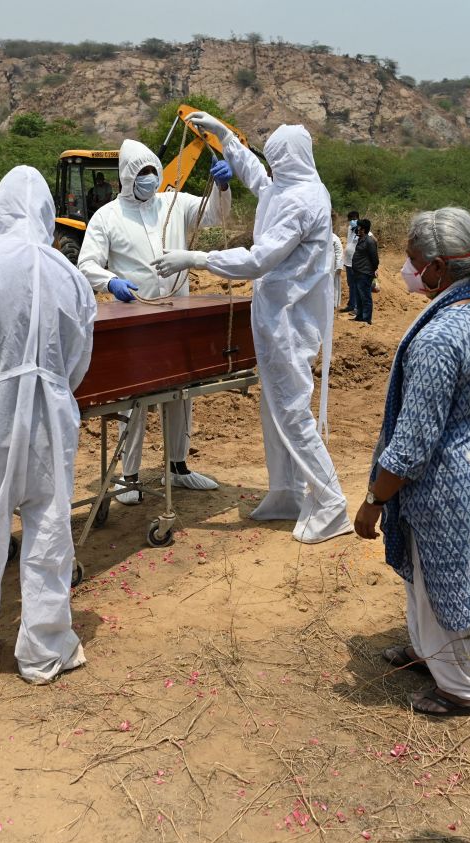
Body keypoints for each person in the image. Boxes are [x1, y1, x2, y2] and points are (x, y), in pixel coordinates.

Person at [153, 115, 351, 544]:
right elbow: (260, 180)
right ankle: (286, 493)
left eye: (276, 160)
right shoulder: (290, 186)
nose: (272, 168)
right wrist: (225, 138)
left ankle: (332, 502)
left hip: (292, 322)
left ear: (289, 159)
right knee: (274, 408)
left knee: (293, 412)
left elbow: (259, 259)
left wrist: (197, 258)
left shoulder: (304, 201)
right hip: (276, 317)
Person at [0, 166, 96, 685]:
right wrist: (48, 386)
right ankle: (43, 653)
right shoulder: (69, 273)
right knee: (49, 532)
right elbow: (78, 359)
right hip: (52, 415)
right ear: (49, 214)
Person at [354, 207, 470, 716]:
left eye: (412, 260)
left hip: (447, 488)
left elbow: (413, 443)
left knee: (452, 585)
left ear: (438, 269)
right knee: (443, 577)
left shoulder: (440, 338)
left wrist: (373, 500)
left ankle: (464, 688)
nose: (406, 269)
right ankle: (431, 654)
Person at [77, 138, 232, 504]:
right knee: (134, 399)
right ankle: (128, 476)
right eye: (142, 173)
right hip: (135, 322)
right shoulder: (107, 216)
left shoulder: (173, 203)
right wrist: (110, 282)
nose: (149, 178)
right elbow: (86, 265)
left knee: (182, 394)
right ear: (128, 177)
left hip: (178, 316)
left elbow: (215, 215)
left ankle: (179, 467)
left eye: (152, 172)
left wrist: (223, 186)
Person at [349, 219, 380, 324]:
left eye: (358, 227)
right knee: (358, 296)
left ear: (363, 229)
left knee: (365, 296)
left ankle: (366, 319)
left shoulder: (370, 241)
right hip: (358, 272)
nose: (357, 229)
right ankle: (360, 316)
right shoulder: (361, 239)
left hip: (364, 273)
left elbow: (375, 259)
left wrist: (373, 269)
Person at [341, 209, 360, 314]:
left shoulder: (363, 230)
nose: (352, 221)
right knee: (351, 284)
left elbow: (373, 240)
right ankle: (351, 304)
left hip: (356, 262)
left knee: (357, 285)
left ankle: (357, 307)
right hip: (348, 261)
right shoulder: (350, 228)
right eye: (350, 219)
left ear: (358, 219)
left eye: (354, 219)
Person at [330, 214, 345, 309]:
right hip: (325, 268)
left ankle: (334, 304)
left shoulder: (335, 238)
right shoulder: (323, 237)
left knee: (334, 285)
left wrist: (339, 267)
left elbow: (339, 253)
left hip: (334, 267)